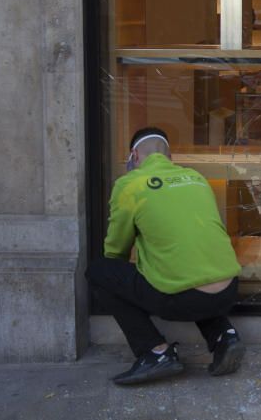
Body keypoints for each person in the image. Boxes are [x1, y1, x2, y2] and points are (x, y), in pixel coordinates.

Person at [86, 127, 244, 385]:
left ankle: (155, 352)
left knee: (100, 271)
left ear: (134, 156)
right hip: (228, 291)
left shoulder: (130, 184)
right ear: (170, 157)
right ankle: (224, 335)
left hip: (182, 299)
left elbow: (115, 252)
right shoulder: (195, 178)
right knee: (189, 265)